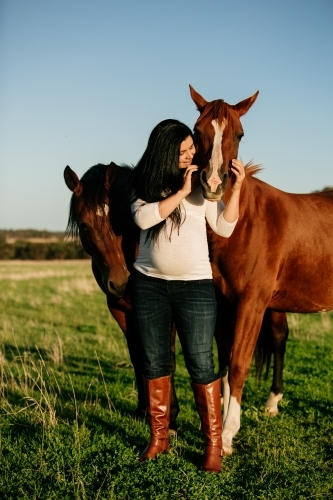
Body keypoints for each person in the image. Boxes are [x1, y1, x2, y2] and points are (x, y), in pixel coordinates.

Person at [128, 119, 245, 473]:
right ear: (165, 151)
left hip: (194, 288)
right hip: (149, 285)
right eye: (183, 152)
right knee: (153, 363)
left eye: (192, 149)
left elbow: (224, 226)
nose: (192, 155)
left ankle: (212, 445)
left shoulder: (202, 188)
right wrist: (180, 190)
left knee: (201, 363)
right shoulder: (145, 182)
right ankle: (159, 438)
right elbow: (144, 219)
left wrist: (235, 189)